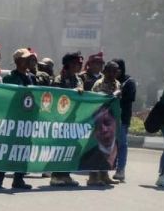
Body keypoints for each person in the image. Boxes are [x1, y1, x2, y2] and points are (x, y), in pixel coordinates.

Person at [0, 48, 35, 190]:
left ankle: (19, 179)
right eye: (25, 59)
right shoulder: (10, 77)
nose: (28, 61)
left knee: (24, 148)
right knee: (7, 148)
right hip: (12, 119)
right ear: (18, 61)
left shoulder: (32, 77)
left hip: (26, 120)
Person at [50, 52, 85, 187]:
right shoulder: (59, 79)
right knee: (60, 147)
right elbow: (56, 96)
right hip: (61, 119)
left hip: (74, 119)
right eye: (77, 63)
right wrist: (73, 92)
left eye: (81, 63)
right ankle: (55, 175)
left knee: (72, 147)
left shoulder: (79, 79)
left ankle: (66, 174)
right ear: (69, 64)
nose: (80, 66)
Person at [88, 60, 123, 186]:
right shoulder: (99, 83)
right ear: (105, 71)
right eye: (111, 70)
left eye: (116, 71)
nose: (114, 73)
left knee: (109, 149)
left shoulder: (117, 83)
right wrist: (112, 95)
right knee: (96, 148)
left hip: (111, 121)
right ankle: (93, 176)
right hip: (99, 119)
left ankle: (104, 175)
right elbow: (96, 99)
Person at [78, 103, 119, 176]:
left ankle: (104, 176)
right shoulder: (86, 159)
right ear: (93, 132)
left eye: (107, 123)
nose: (104, 130)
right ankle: (94, 177)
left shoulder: (119, 148)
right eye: (98, 126)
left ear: (115, 122)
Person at [112, 58, 136, 183]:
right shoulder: (110, 81)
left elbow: (130, 98)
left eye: (115, 70)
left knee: (121, 144)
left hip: (122, 118)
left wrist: (119, 94)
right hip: (109, 117)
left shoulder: (129, 82)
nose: (113, 72)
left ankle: (120, 170)